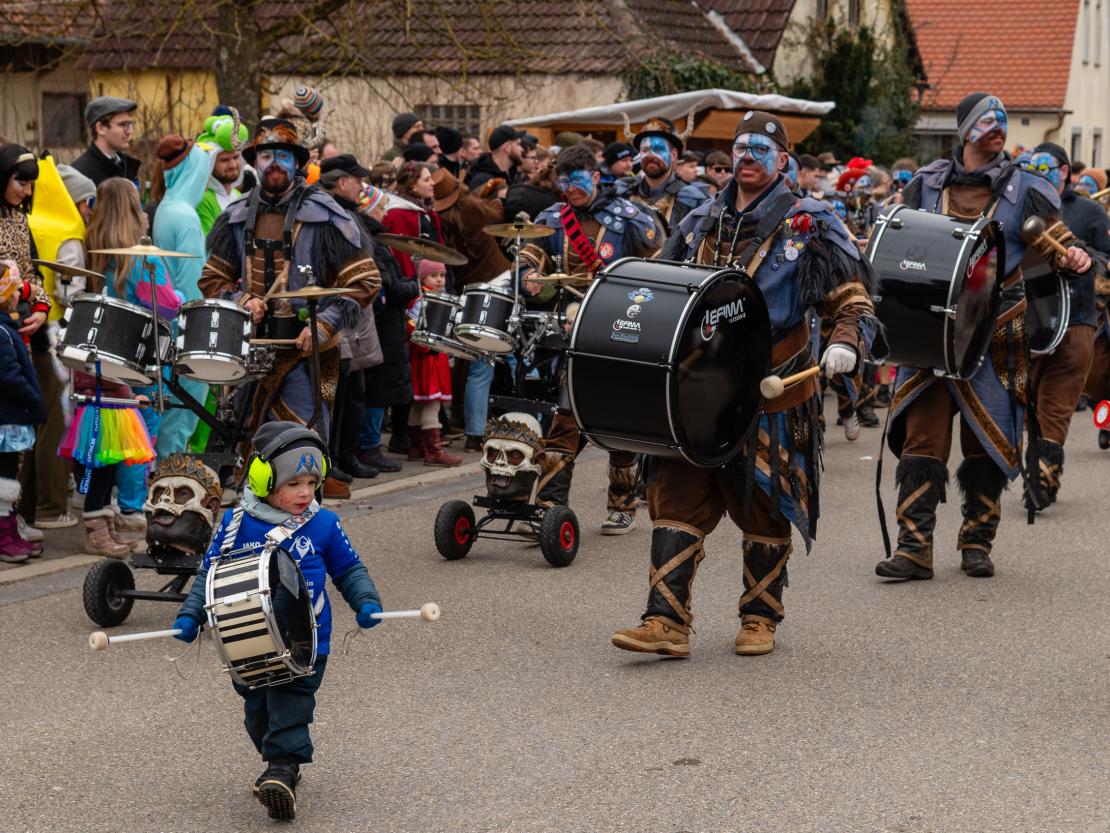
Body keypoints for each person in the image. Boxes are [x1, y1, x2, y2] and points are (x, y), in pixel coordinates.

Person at [610, 111, 879, 658]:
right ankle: (666, 621)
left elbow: (851, 295)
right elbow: (662, 285)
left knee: (765, 500)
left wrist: (846, 339)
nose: (747, 156)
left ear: (783, 160)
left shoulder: (814, 221)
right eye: (740, 147)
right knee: (676, 492)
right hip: (699, 385)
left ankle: (760, 617)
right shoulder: (700, 218)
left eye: (761, 147)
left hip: (774, 383)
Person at [874, 92, 1092, 583]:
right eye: (986, 121)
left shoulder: (1027, 190)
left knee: (985, 441)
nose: (997, 128)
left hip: (996, 333)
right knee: (921, 437)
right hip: (930, 330)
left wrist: (1072, 257)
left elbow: (1053, 246)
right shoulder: (927, 184)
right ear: (964, 129)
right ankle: (914, 547)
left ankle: (976, 542)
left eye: (1002, 122)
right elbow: (900, 241)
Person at [171, 422, 382, 821]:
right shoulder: (235, 524)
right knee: (258, 712)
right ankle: (278, 764)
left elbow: (349, 569)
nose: (306, 492)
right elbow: (209, 576)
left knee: (290, 705)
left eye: (312, 481)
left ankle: (282, 769)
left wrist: (366, 601)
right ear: (264, 479)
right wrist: (190, 614)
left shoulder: (323, 524)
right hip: (247, 645)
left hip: (306, 643)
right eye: (294, 483)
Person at [200, 117, 381, 500]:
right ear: (256, 161)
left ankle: (302, 541)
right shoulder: (235, 217)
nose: (275, 163)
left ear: (298, 162)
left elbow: (365, 280)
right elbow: (213, 279)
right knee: (254, 454)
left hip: (306, 353)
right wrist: (240, 299)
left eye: (283, 154)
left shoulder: (327, 214)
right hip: (251, 351)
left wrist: (326, 324)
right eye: (267, 155)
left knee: (298, 450)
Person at [518, 144, 658, 534]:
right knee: (565, 417)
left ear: (596, 177)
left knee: (619, 420)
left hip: (622, 331)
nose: (570, 189)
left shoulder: (631, 219)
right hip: (570, 334)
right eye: (563, 182)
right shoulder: (552, 218)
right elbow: (530, 256)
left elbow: (662, 270)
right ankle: (548, 510)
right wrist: (527, 274)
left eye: (577, 180)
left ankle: (622, 504)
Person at [87, 177, 181, 531]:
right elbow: (168, 306)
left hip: (104, 355)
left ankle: (109, 503)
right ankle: (131, 508)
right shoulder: (141, 260)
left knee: (113, 431)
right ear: (131, 210)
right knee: (141, 433)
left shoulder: (94, 251)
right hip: (142, 357)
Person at [1022, 143, 1110, 508]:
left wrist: (1085, 260)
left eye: (1049, 166)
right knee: (1030, 398)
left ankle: (1044, 476)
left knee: (1057, 402)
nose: (1041, 171)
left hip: (1077, 317)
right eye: (1034, 165)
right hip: (1030, 319)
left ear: (1064, 173)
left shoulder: (1088, 211)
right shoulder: (1018, 209)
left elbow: (1106, 259)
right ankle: (1036, 464)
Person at [23, 155, 91, 533]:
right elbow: (72, 291)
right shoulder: (66, 228)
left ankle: (28, 501)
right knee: (54, 421)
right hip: (52, 333)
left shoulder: (27, 220)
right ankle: (51, 503)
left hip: (25, 327)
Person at [316, 153, 385, 480]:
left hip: (354, 312)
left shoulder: (348, 213)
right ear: (342, 182)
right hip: (337, 311)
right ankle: (332, 460)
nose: (362, 186)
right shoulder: (330, 215)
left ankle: (347, 454)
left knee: (353, 390)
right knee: (337, 393)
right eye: (357, 180)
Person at [432, 168, 512, 450]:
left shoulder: (441, 220)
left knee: (479, 362)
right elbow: (498, 217)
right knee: (513, 356)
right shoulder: (470, 208)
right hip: (499, 282)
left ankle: (474, 432)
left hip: (469, 291)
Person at [0, 146, 54, 549]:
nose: (25, 189)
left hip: (19, 331)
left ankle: (11, 514)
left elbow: (32, 274)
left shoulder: (20, 220)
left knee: (17, 434)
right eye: (20, 180)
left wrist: (39, 306)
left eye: (29, 182)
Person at [150, 135, 214, 458]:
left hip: (168, 321)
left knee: (172, 407)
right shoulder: (185, 217)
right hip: (186, 325)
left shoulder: (167, 208)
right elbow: (192, 283)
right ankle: (171, 471)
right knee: (184, 408)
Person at [359, 184, 417, 473]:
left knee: (380, 385)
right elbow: (390, 286)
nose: (385, 213)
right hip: (383, 325)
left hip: (385, 324)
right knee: (379, 387)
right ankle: (369, 445)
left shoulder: (375, 238)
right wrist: (413, 285)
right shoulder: (372, 241)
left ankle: (369, 444)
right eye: (381, 207)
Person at [0, 262, 44, 562]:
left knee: (6, 479)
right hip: (8, 417)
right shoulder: (3, 331)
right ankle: (4, 536)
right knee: (3, 480)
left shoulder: (6, 327)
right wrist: (33, 400)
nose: (19, 294)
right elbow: (9, 375)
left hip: (10, 416)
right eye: (16, 289)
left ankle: (8, 530)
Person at [406, 261, 462, 466]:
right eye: (434, 275)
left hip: (435, 357)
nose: (440, 279)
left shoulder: (439, 298)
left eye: (442, 275)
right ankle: (433, 450)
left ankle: (416, 447)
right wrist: (427, 345)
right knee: (431, 402)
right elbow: (411, 328)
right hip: (426, 358)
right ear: (422, 279)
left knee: (420, 404)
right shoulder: (421, 300)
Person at [615, 116, 705, 237]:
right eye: (645, 150)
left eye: (658, 149)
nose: (650, 155)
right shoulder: (623, 193)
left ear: (673, 155)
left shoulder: (693, 199)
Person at [196, 114, 250, 235]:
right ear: (210, 163)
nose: (233, 165)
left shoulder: (237, 195)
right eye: (225, 160)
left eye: (236, 157)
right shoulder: (202, 199)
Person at [70, 96, 141, 188]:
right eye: (123, 125)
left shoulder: (126, 167)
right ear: (100, 128)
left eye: (130, 124)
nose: (130, 131)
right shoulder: (80, 174)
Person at [466, 124, 524, 190]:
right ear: (507, 147)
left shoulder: (512, 176)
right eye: (518, 144)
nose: (522, 149)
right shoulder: (482, 181)